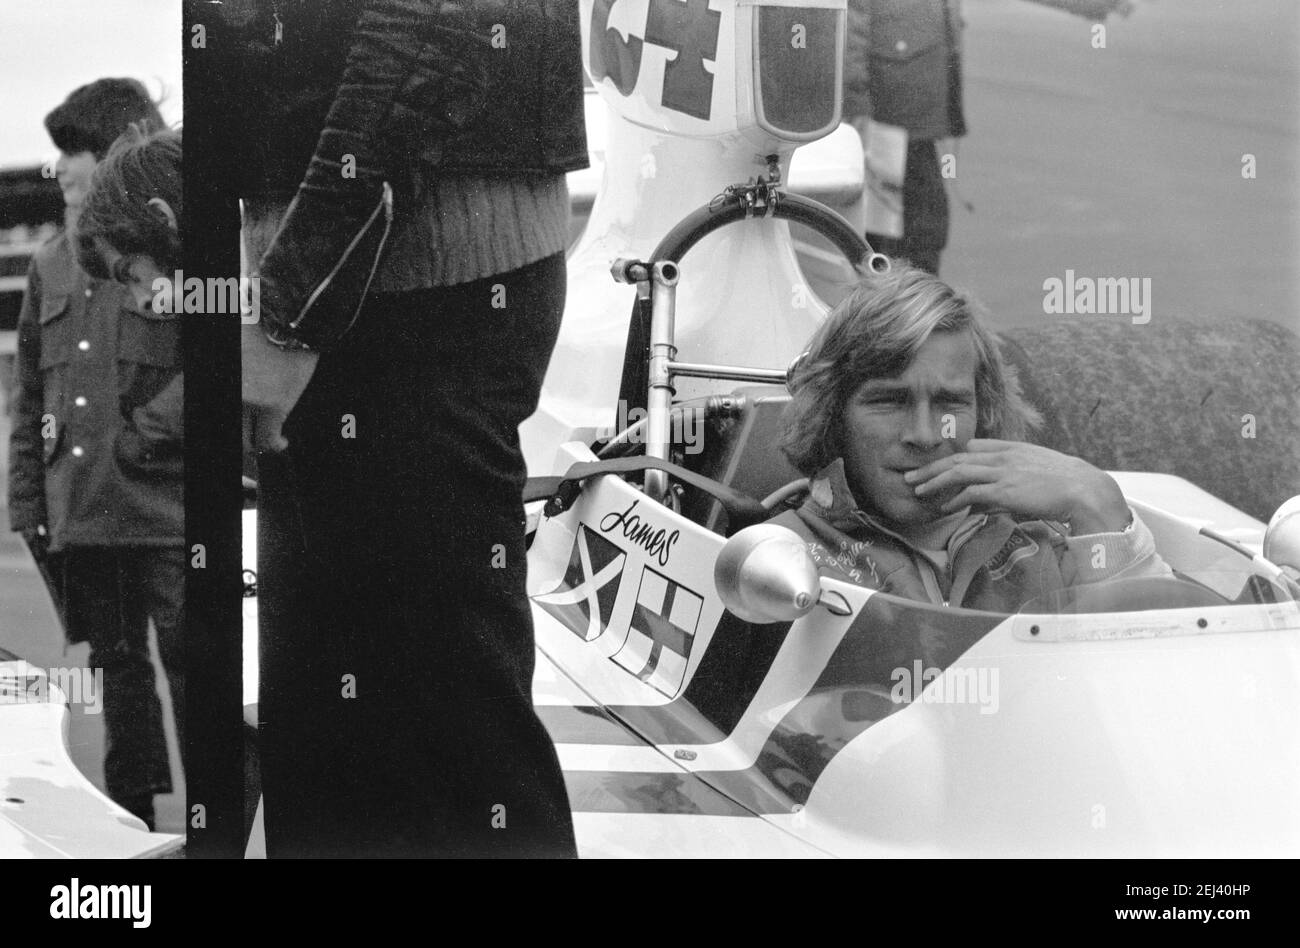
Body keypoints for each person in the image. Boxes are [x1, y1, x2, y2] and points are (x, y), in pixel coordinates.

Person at [224, 1, 587, 856]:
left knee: (428, 739)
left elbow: (429, 26)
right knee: (351, 738)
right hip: (383, 253)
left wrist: (292, 310)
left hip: (412, 271)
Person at [776, 265, 1169, 611]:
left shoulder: (1051, 548)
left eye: (950, 403)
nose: (925, 435)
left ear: (986, 410)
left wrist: (1099, 501)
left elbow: (1166, 676)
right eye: (889, 401)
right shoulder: (777, 561)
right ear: (831, 413)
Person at [7, 83, 182, 831]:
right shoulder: (47, 267)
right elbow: (29, 403)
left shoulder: (168, 252)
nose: (59, 170)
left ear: (110, 153)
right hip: (84, 515)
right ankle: (132, 821)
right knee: (116, 678)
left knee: (198, 676)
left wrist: (145, 435)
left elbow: (212, 363)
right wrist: (26, 507)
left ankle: (219, 822)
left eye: (69, 153)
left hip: (166, 511)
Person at [844, 0, 1133, 275]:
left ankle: (904, 310)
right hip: (886, 120)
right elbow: (850, 27)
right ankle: (903, 313)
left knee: (912, 230)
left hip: (906, 112)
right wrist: (857, 106)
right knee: (905, 232)